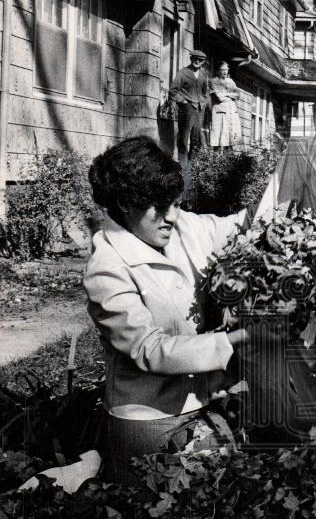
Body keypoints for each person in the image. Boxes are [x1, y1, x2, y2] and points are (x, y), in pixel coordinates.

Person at [83, 136, 255, 480]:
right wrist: (235, 342)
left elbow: (242, 225)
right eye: (159, 207)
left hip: (201, 402)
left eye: (176, 204)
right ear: (125, 203)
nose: (172, 217)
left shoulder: (180, 226)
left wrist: (295, 178)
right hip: (148, 421)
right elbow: (150, 349)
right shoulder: (106, 267)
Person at [168, 49, 210, 188]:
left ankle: (192, 170)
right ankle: (183, 169)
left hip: (199, 110)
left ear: (203, 61)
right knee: (183, 140)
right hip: (186, 109)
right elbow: (173, 91)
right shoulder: (183, 72)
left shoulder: (204, 74)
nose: (197, 61)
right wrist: (184, 102)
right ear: (191, 58)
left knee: (196, 140)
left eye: (200, 60)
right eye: (195, 58)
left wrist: (203, 103)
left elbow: (205, 91)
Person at [209, 61, 242, 151]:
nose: (225, 72)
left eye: (226, 70)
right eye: (222, 70)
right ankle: (216, 160)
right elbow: (219, 97)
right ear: (217, 71)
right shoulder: (214, 81)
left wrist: (226, 94)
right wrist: (231, 96)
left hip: (231, 112)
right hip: (220, 112)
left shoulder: (230, 81)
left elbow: (238, 94)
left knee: (230, 138)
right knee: (218, 137)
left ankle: (228, 161)